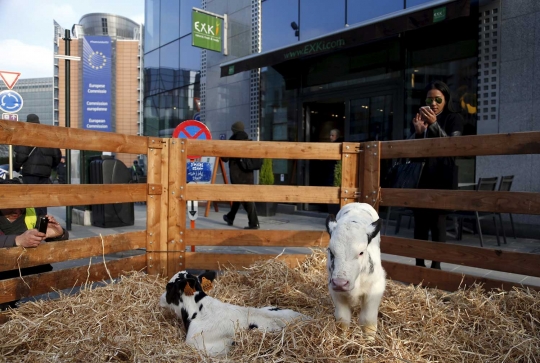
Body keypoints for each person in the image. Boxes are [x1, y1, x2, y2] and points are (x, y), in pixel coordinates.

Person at [412, 80, 464, 270]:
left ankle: (436, 266)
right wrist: (418, 133)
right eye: (429, 99)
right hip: (421, 178)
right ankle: (418, 266)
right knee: (419, 224)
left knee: (437, 223)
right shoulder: (420, 117)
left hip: (441, 177)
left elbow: (451, 147)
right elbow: (415, 153)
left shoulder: (454, 118)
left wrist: (433, 125)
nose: (433, 103)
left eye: (438, 99)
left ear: (445, 99)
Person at [0, 178, 69, 309]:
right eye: (10, 206)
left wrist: (58, 234)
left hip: (21, 270)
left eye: (20, 204)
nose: (17, 210)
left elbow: (50, 235)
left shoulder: (29, 212)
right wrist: (18, 240)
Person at [14, 114, 62, 215]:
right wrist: (50, 166)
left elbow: (21, 155)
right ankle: (42, 223)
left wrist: (16, 167)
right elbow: (57, 156)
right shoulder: (48, 137)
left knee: (31, 198)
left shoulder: (27, 135)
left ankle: (32, 223)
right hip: (45, 174)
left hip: (30, 173)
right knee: (42, 198)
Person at [222, 121, 260, 229]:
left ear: (234, 130)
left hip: (237, 175)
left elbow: (224, 158)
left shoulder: (233, 141)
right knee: (240, 196)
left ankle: (254, 223)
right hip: (248, 174)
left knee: (246, 198)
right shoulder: (249, 141)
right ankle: (230, 217)